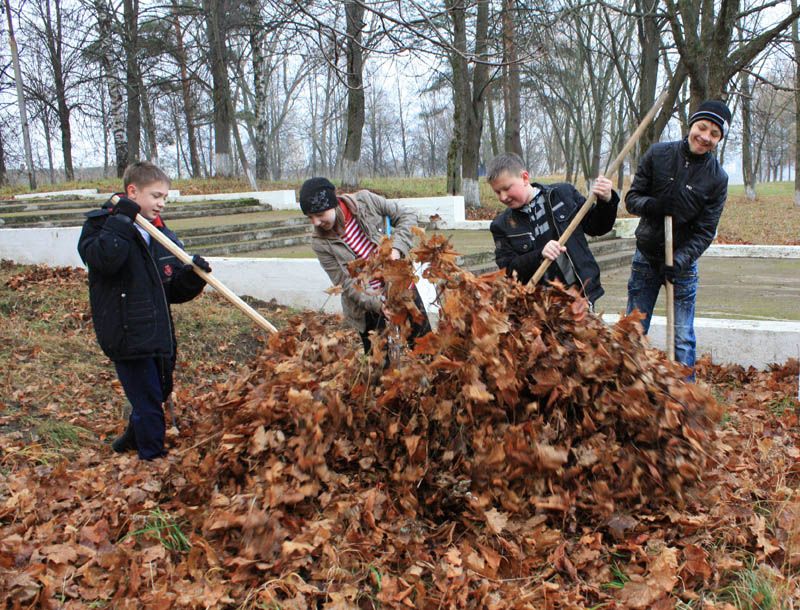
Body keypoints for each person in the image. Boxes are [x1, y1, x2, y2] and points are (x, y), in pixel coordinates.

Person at [77, 161, 211, 460]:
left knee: (158, 391)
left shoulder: (161, 234)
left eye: (165, 197)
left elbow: (171, 291)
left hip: (157, 329)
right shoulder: (100, 225)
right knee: (149, 399)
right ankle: (153, 460)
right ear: (132, 191)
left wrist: (192, 277)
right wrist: (122, 220)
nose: (161, 203)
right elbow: (105, 259)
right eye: (156, 196)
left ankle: (129, 441)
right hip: (126, 331)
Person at [625, 100, 731, 378]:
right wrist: (655, 205)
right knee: (633, 331)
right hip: (645, 258)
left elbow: (706, 231)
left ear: (719, 139)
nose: (705, 137)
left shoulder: (717, 177)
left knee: (683, 338)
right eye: (702, 127)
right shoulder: (658, 154)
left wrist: (681, 261)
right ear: (691, 125)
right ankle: (626, 391)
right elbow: (632, 200)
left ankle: (684, 400)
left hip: (682, 268)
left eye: (714, 134)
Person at [299, 177, 431, 353]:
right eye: (310, 217)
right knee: (379, 366)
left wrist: (397, 249)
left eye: (319, 215)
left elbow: (406, 216)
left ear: (333, 203)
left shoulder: (366, 201)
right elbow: (345, 283)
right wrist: (379, 305)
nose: (315, 222)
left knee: (426, 349)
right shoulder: (320, 243)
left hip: (402, 288)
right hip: (366, 307)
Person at [487, 152, 619, 306]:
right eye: (497, 192)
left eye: (506, 188)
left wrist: (607, 200)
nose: (502, 197)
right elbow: (508, 269)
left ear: (524, 178)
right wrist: (540, 254)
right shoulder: (501, 225)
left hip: (580, 296)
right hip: (539, 306)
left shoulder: (563, 194)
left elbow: (597, 227)